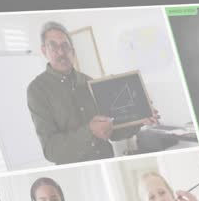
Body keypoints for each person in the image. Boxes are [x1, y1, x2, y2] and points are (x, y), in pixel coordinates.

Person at [26, 21, 156, 165]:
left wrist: (139, 119)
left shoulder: (89, 82)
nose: (61, 52)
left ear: (72, 51)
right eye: (53, 46)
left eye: (65, 46)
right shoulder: (37, 90)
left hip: (108, 161)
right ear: (44, 51)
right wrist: (90, 131)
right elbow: (52, 151)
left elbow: (113, 132)